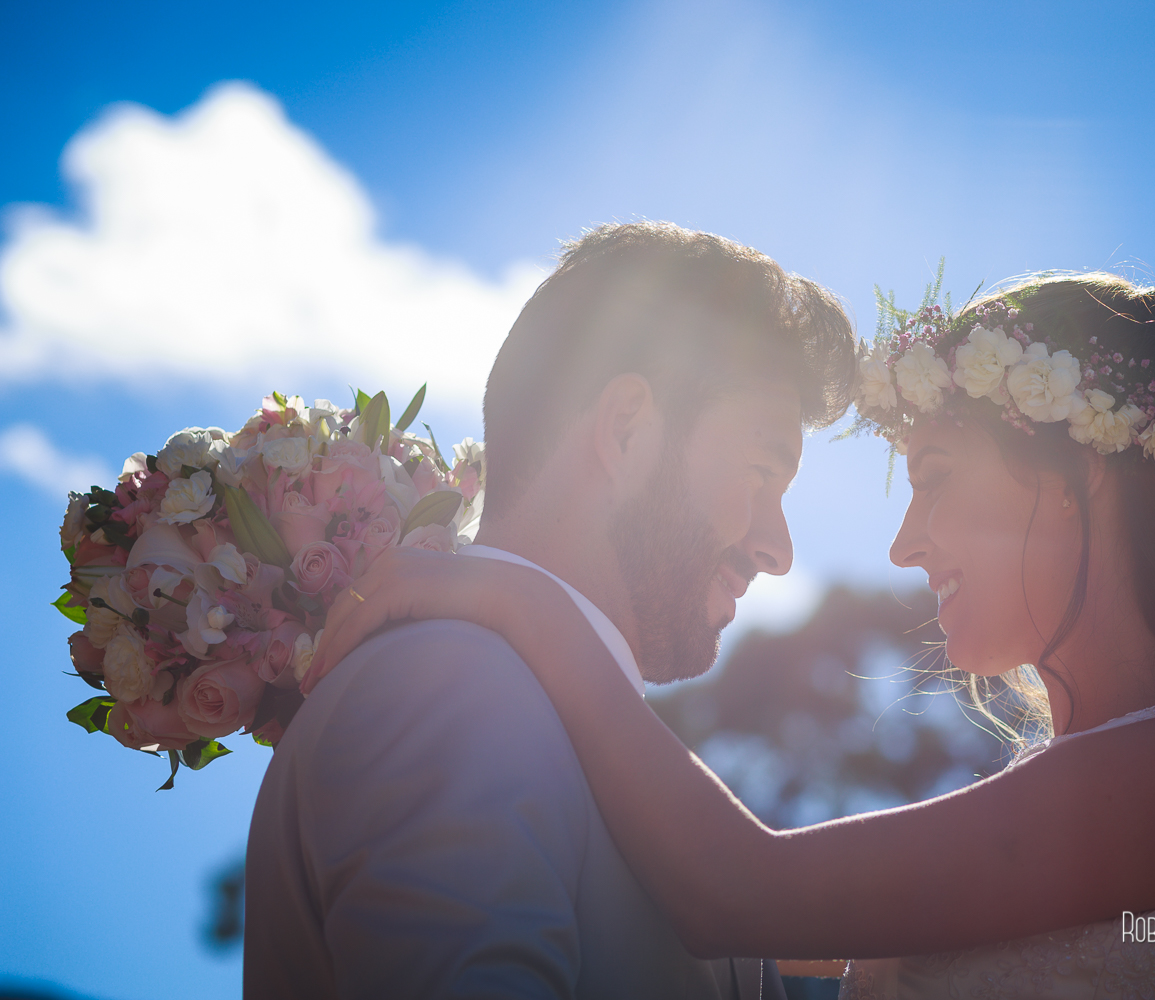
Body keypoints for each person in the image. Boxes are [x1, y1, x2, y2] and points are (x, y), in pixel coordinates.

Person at [310, 273, 1155, 999]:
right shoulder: (1136, 776)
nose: (906, 541)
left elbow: (735, 890)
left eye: (934, 478)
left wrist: (519, 602)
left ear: (1080, 482)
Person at [244, 220, 859, 999]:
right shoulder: (448, 688)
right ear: (627, 429)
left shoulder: (607, 750)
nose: (778, 548)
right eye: (761, 474)